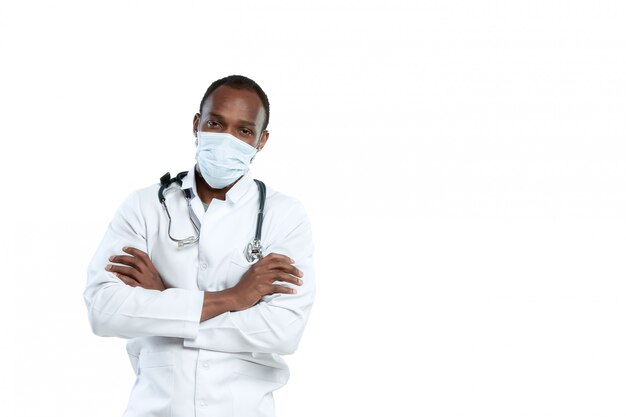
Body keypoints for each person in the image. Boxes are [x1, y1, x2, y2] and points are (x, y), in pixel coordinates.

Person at [84, 75, 315, 417]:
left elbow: (282, 332)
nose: (227, 139)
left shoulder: (285, 215)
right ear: (197, 124)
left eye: (244, 131)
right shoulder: (145, 206)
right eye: (215, 123)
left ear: (261, 141)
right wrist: (233, 299)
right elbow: (104, 311)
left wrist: (163, 304)